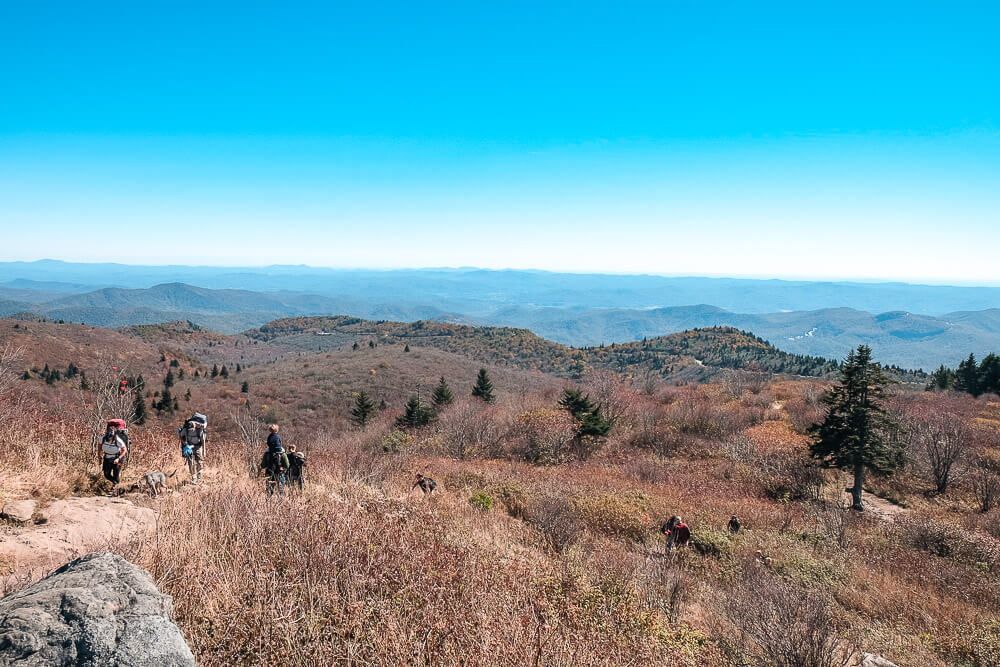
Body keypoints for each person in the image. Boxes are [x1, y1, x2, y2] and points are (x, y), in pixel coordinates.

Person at [261, 424, 289, 496]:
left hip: (269, 472)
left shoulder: (267, 453)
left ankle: (269, 503)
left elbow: (263, 465)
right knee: (281, 490)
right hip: (279, 472)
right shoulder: (282, 453)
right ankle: (281, 503)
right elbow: (287, 465)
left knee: (269, 491)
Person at [100, 421, 128, 489]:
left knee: (116, 475)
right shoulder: (102, 439)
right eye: (108, 437)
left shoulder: (118, 440)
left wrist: (118, 458)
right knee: (106, 474)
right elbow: (99, 447)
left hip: (117, 457)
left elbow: (125, 450)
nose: (109, 439)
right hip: (107, 457)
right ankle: (115, 483)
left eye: (111, 437)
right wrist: (99, 457)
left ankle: (116, 489)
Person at [177, 419, 207, 484]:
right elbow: (181, 436)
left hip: (198, 446)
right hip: (189, 447)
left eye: (191, 429)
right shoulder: (185, 430)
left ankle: (199, 475)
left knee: (199, 461)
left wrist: (204, 451)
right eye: (189, 429)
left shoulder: (199, 430)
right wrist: (185, 444)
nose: (190, 430)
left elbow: (203, 441)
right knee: (191, 462)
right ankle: (194, 477)